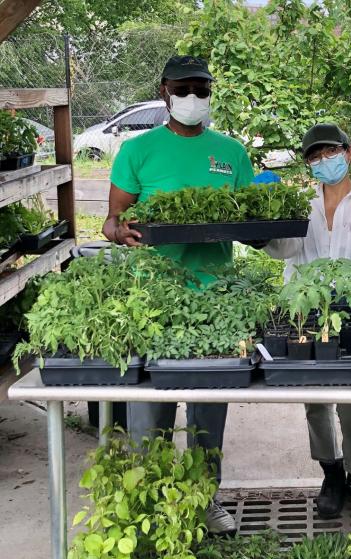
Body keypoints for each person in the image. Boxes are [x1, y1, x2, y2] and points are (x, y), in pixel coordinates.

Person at [102, 55, 255, 534]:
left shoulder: (231, 153)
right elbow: (112, 220)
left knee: (209, 413)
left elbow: (252, 221)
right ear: (165, 90)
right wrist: (118, 230)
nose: (194, 98)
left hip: (217, 303)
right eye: (184, 88)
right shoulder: (137, 151)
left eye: (202, 89)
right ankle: (152, 508)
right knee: (151, 414)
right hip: (155, 301)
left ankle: (206, 501)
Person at [264, 123, 351, 519]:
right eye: (314, 156)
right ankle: (332, 472)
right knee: (315, 402)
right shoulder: (301, 204)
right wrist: (263, 226)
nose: (323, 161)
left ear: (349, 152)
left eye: (330, 152)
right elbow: (284, 249)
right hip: (304, 314)